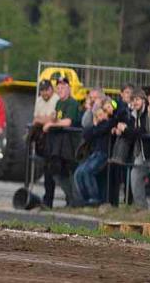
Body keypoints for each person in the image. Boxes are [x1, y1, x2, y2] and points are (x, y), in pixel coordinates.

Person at [42, 77, 83, 207]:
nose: (60, 90)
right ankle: (70, 199)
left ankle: (74, 200)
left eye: (63, 87)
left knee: (70, 171)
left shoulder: (72, 103)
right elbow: (59, 120)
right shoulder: (59, 103)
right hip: (60, 145)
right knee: (57, 172)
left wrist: (50, 125)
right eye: (58, 88)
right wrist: (52, 120)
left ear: (69, 88)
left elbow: (67, 122)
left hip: (71, 144)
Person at [117, 89, 150, 208]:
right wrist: (120, 129)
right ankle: (141, 207)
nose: (135, 102)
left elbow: (141, 131)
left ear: (144, 100)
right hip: (141, 153)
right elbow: (131, 132)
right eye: (133, 100)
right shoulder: (134, 114)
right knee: (135, 177)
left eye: (138, 99)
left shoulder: (148, 112)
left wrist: (126, 130)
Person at [73, 98, 113, 206]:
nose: (100, 117)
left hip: (103, 154)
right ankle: (85, 198)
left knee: (87, 172)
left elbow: (99, 131)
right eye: (97, 115)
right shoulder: (97, 125)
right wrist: (95, 125)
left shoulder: (109, 123)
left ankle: (94, 198)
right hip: (94, 154)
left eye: (102, 114)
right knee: (78, 173)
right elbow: (86, 134)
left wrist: (97, 127)